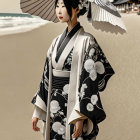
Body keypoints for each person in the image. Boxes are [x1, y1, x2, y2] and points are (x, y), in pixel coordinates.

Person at [31, 0, 115, 140]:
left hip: (75, 106)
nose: (59, 10)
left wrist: (80, 116)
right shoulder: (55, 42)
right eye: (57, 6)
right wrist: (37, 112)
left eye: (64, 6)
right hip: (54, 105)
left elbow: (89, 81)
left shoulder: (88, 41)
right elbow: (45, 77)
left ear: (76, 9)